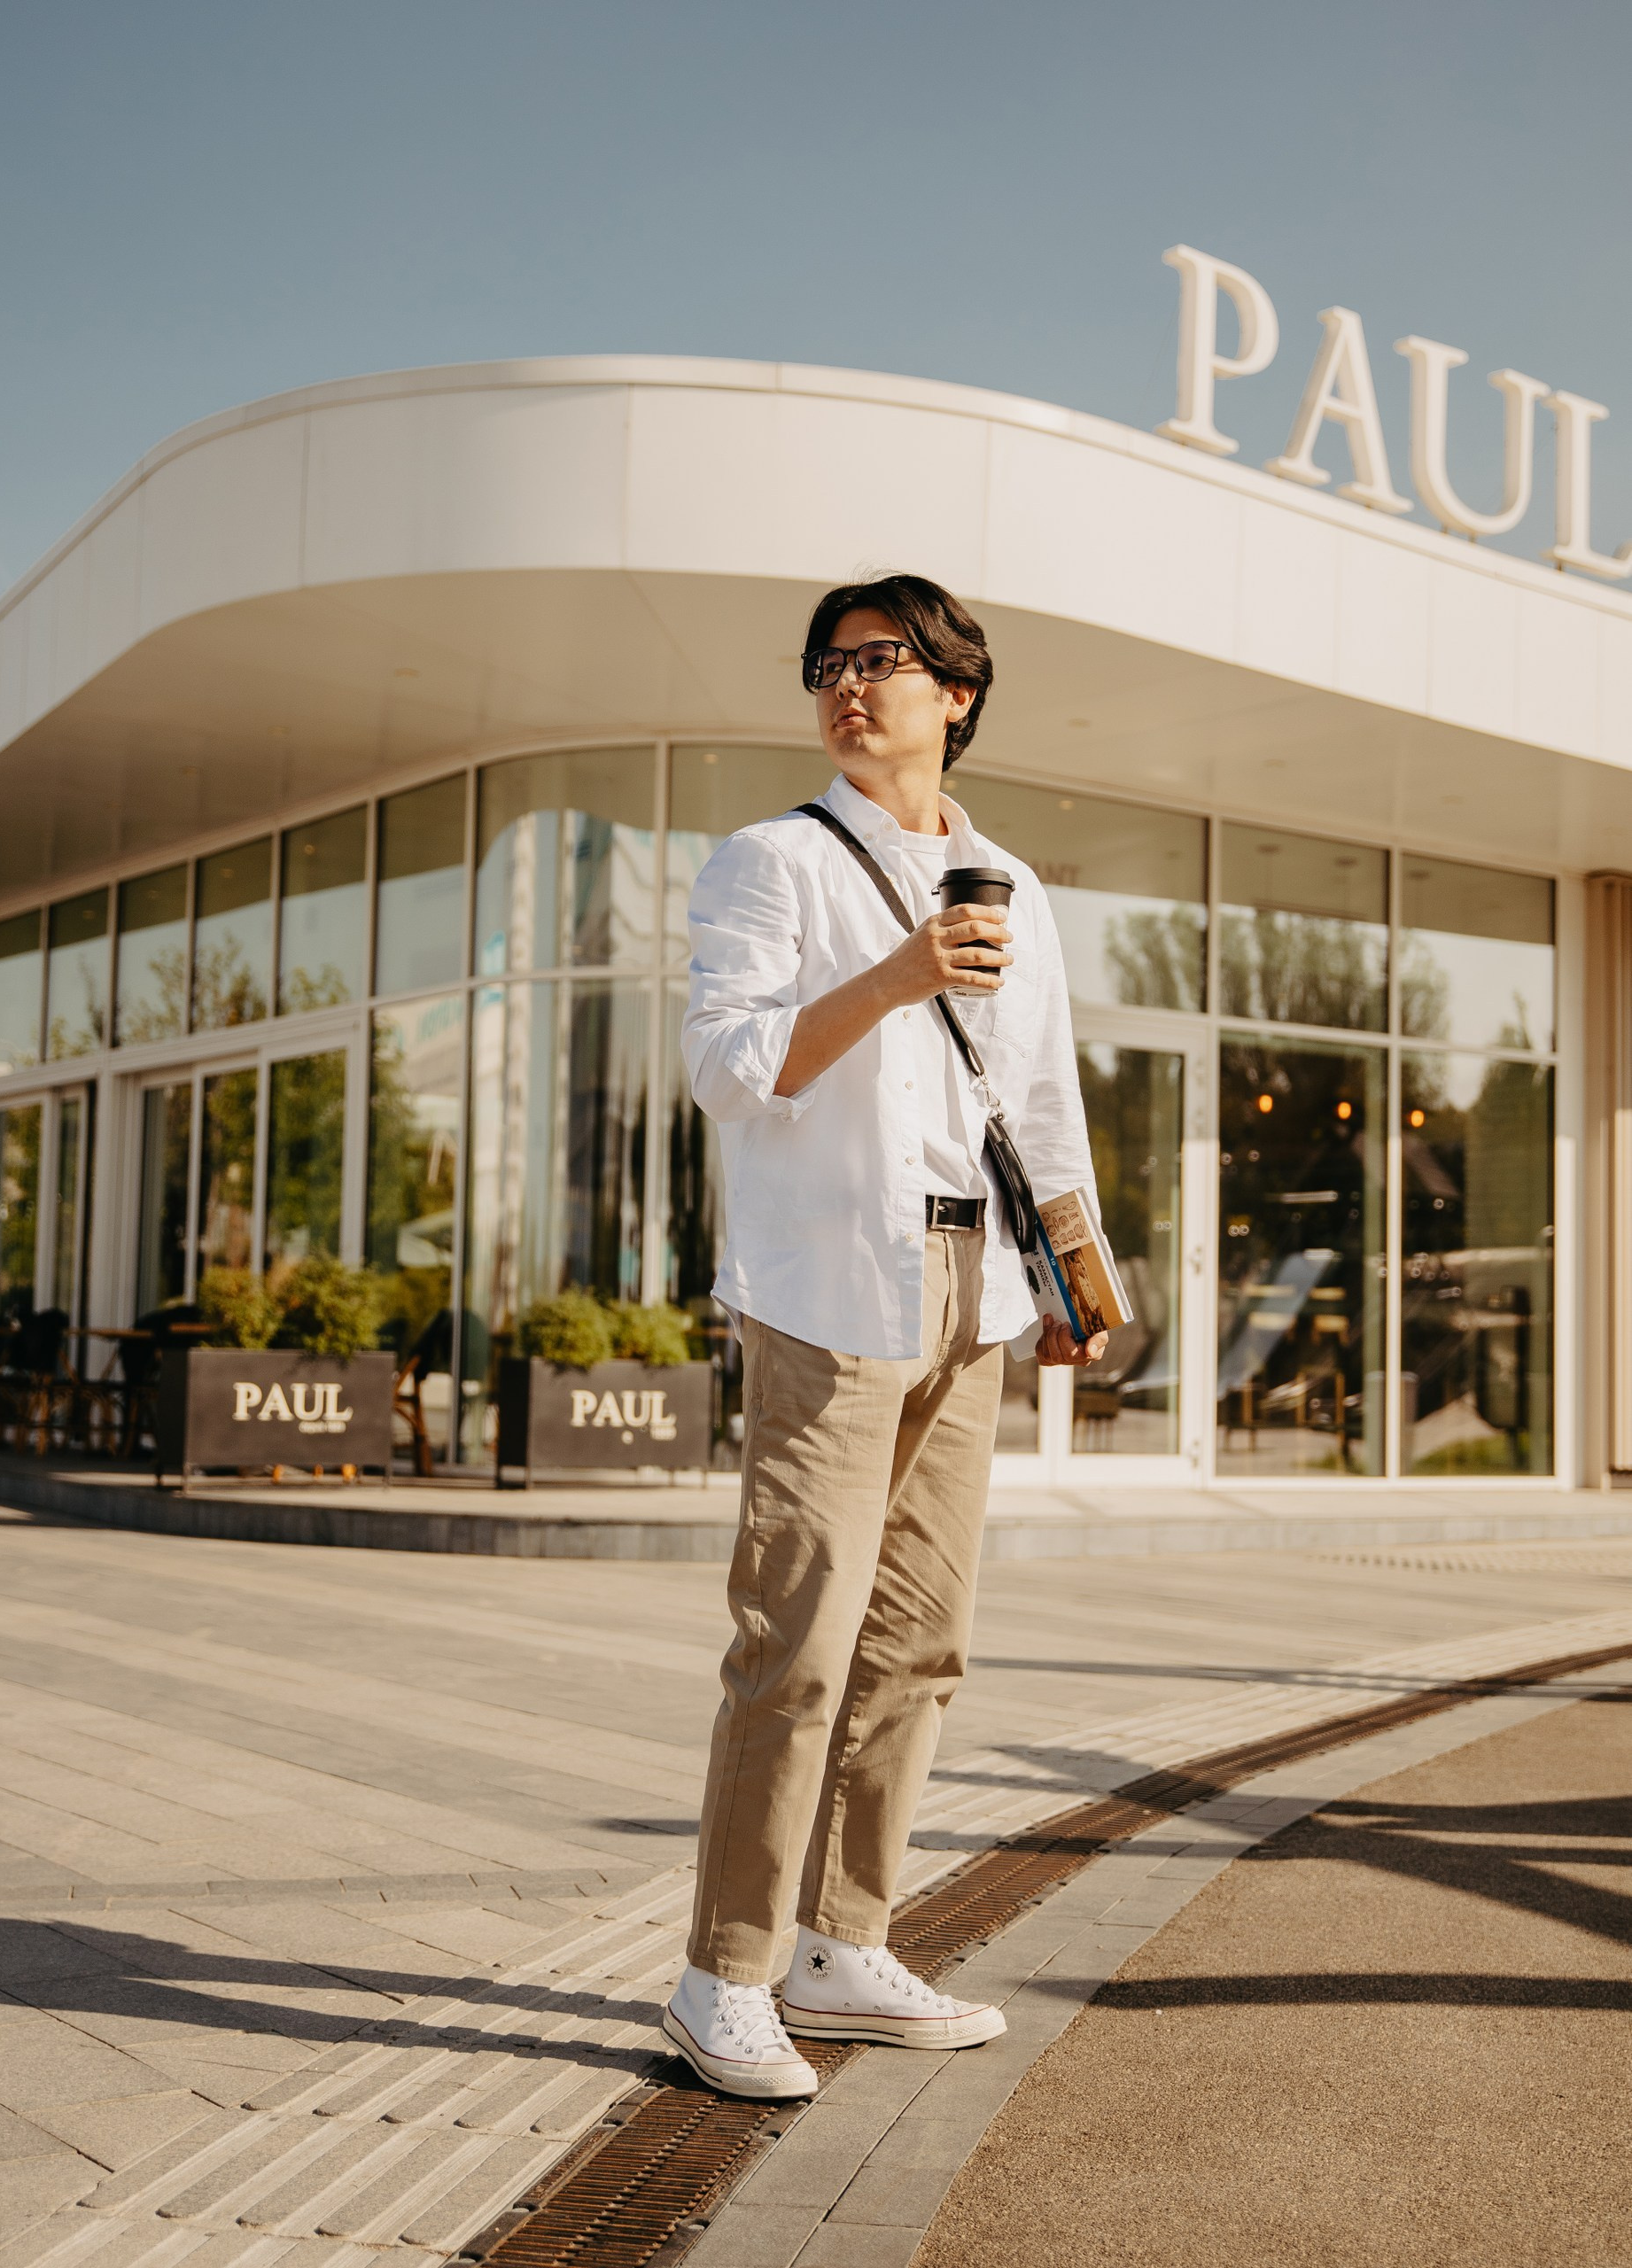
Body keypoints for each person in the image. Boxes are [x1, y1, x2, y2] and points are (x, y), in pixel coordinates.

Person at [663, 573, 1106, 2100]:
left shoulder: (1014, 885)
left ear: (957, 693)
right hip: (830, 1294)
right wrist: (900, 973)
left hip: (974, 1294)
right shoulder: (770, 862)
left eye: (885, 663)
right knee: (793, 1642)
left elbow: (1040, 1094)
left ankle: (845, 1946)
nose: (851, 687)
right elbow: (728, 1068)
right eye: (829, 666)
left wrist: (1075, 1275)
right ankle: (726, 1970)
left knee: (920, 1641)